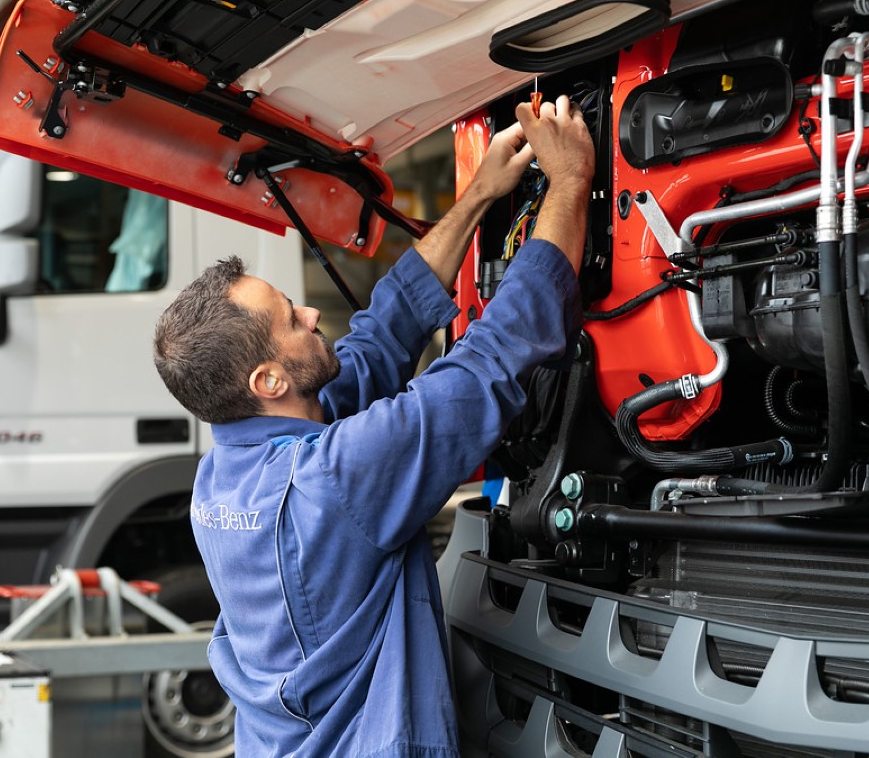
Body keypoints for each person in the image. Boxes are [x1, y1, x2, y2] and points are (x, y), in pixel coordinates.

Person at [153, 95, 594, 758]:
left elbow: (381, 335)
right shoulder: (334, 479)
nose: (308, 312)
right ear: (268, 383)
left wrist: (478, 195)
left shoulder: (224, 470)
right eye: (288, 320)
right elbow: (493, 355)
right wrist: (570, 183)